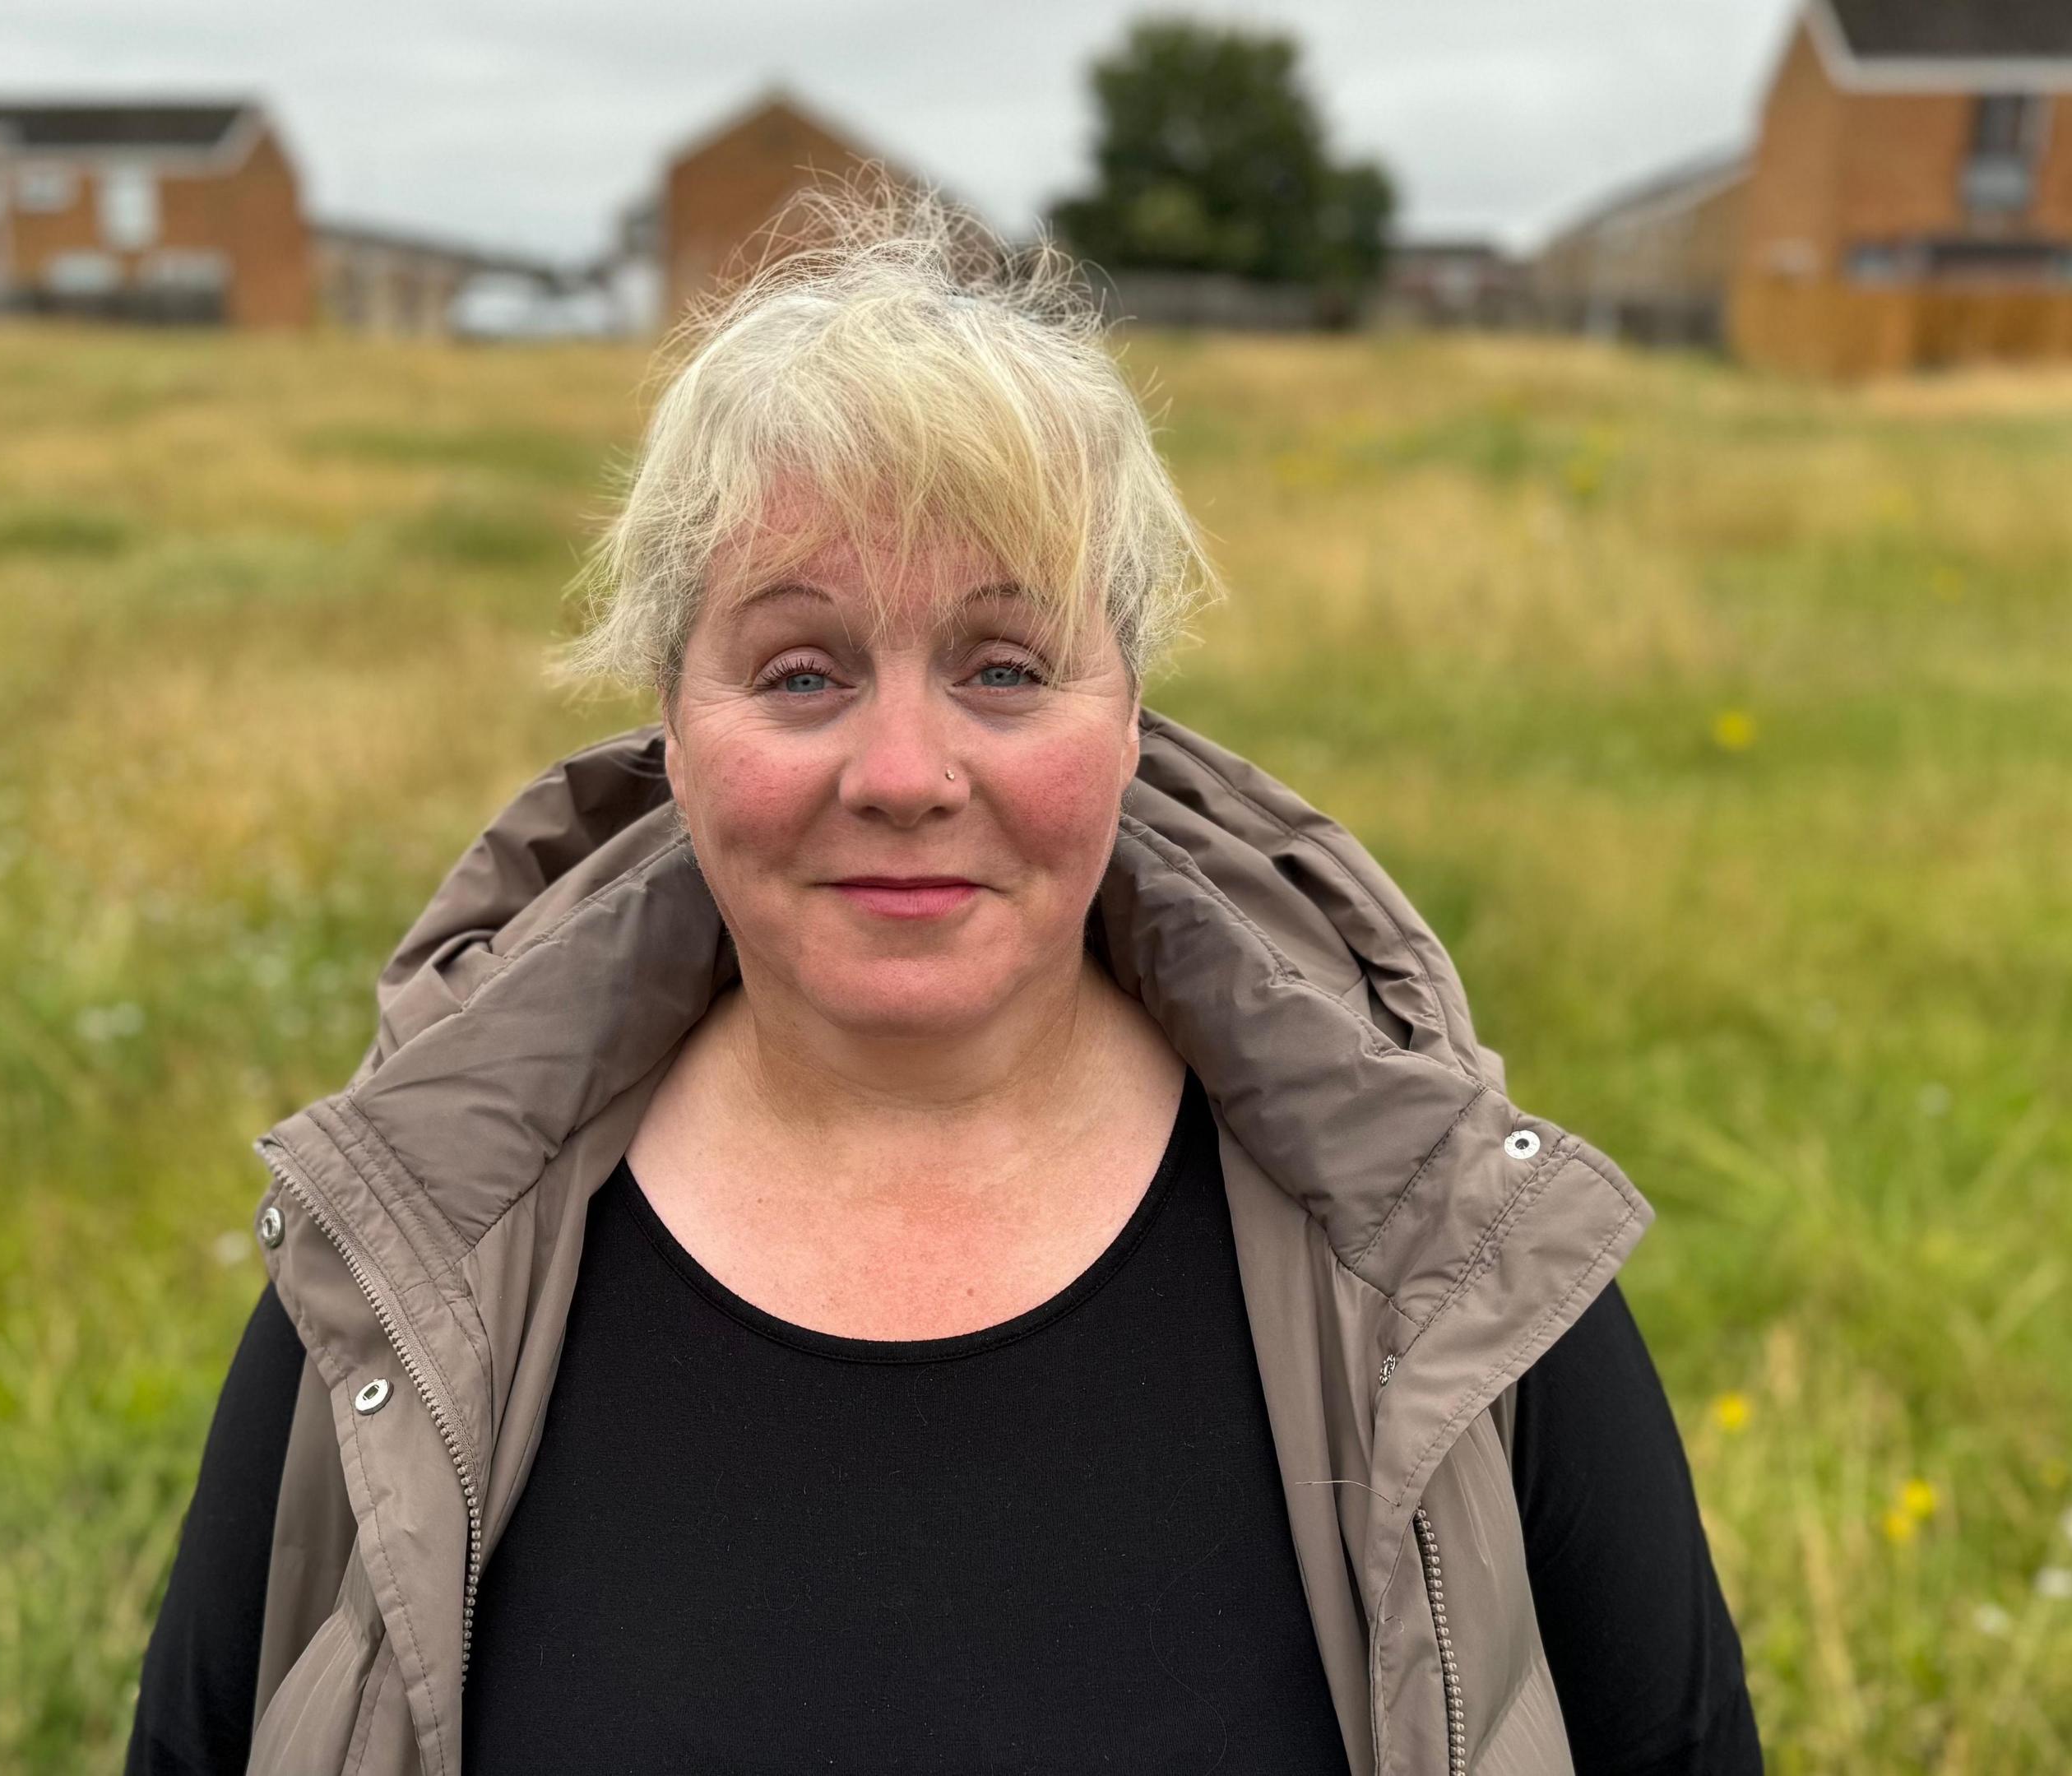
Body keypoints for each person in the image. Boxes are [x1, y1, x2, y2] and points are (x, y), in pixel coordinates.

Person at [127, 193, 1758, 1776]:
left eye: (1003, 668)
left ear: (1134, 717)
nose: (904, 772)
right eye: (801, 672)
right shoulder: (407, 1257)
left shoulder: (1448, 1256)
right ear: (670, 728)